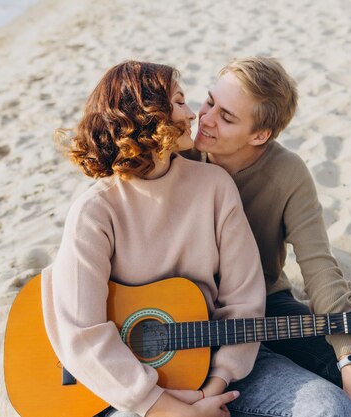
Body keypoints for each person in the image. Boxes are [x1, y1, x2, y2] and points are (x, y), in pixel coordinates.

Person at [40, 60, 266, 417]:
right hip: (123, 393)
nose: (193, 115)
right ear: (147, 116)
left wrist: (214, 386)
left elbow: (244, 302)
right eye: (179, 102)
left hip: (213, 371)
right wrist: (170, 409)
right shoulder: (94, 212)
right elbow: (84, 335)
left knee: (327, 406)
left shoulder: (214, 186)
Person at [183, 56, 351, 417]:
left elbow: (318, 265)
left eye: (227, 117)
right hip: (185, 303)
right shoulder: (179, 155)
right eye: (210, 101)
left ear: (260, 134)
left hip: (265, 303)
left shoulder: (287, 172)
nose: (207, 117)